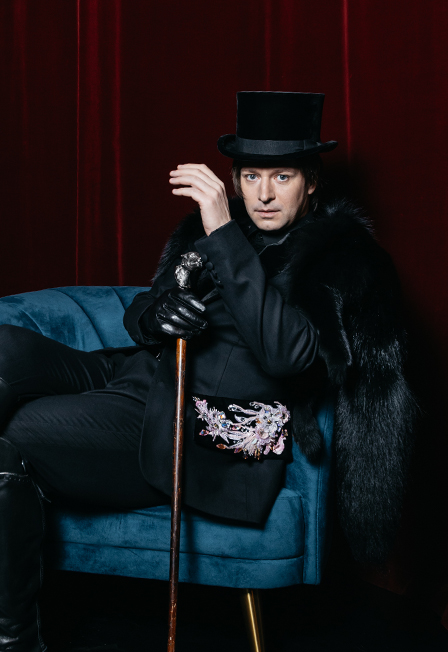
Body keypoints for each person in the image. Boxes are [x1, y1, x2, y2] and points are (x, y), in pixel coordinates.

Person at [0, 91, 414, 651]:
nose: (264, 194)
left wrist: (221, 230)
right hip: (136, 379)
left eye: (283, 176)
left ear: (311, 182)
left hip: (197, 430)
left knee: (17, 434)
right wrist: (158, 315)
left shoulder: (343, 258)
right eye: (251, 177)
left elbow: (288, 355)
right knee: (6, 348)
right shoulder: (209, 232)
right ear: (236, 179)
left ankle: (15, 642)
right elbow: (143, 308)